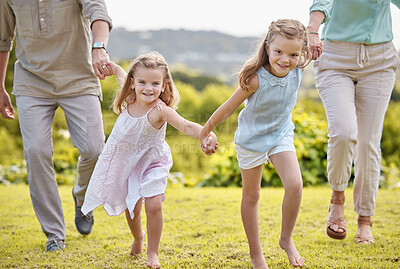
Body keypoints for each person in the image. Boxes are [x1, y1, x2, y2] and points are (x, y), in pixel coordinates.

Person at [81, 51, 217, 268]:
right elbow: (121, 76)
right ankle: (138, 237)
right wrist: (115, 68)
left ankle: (152, 253)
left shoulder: (161, 110)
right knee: (132, 207)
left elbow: (187, 126)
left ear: (164, 86)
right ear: (133, 83)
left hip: (153, 162)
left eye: (155, 83)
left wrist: (207, 133)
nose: (148, 88)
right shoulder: (130, 98)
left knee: (153, 204)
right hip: (128, 162)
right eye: (142, 82)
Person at [0, 0, 113, 252]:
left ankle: (82, 197)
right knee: (36, 152)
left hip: (79, 78)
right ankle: (54, 234)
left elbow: (98, 11)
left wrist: (98, 47)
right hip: (32, 82)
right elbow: (3, 39)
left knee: (94, 149)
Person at [200, 19, 311, 268]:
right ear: (268, 47)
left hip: (280, 134)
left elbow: (317, 41)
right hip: (251, 139)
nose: (285, 59)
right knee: (252, 196)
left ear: (301, 53)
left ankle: (286, 239)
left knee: (294, 185)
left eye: (293, 54)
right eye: (279, 52)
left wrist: (315, 39)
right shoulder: (254, 79)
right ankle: (256, 254)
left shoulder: (300, 67)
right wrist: (205, 131)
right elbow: (228, 107)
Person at [307, 0, 399, 244]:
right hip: (335, 57)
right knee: (344, 132)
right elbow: (322, 2)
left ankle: (365, 219)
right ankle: (337, 201)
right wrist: (313, 30)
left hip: (379, 60)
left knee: (369, 142)